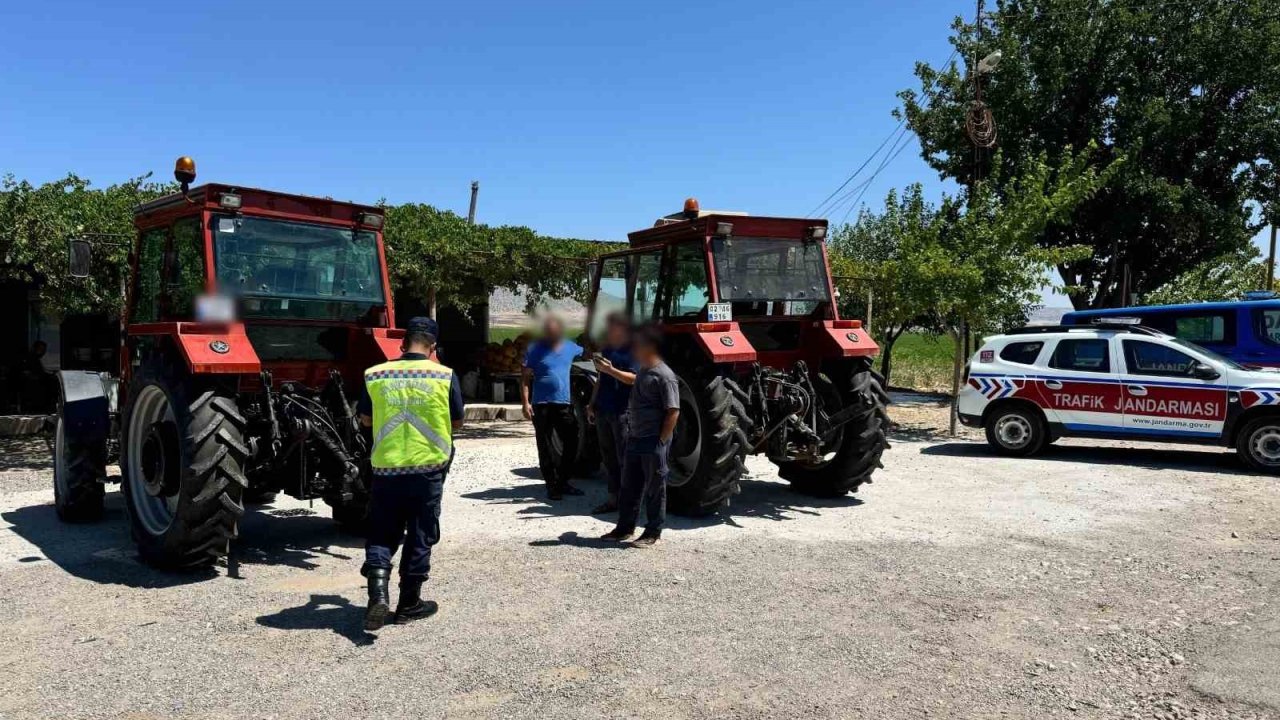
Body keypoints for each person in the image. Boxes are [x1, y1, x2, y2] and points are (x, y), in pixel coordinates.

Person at [357, 316, 464, 631]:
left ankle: (378, 595)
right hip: (427, 470)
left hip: (386, 468)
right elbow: (457, 422)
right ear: (433, 347)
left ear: (403, 344)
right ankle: (409, 604)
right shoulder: (444, 376)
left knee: (381, 532)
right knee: (420, 533)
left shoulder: (375, 374)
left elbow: (365, 419)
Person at [599, 324, 679, 548]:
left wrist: (661, 440)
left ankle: (653, 532)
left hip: (652, 440)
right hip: (635, 437)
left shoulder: (665, 375)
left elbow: (673, 411)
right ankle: (624, 528)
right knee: (630, 487)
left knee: (655, 488)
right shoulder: (643, 370)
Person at [521, 315, 584, 500]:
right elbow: (524, 378)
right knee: (545, 445)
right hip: (541, 405)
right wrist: (525, 403)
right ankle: (551, 485)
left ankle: (563, 481)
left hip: (563, 403)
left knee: (572, 441)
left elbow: (587, 352)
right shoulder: (534, 349)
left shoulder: (570, 347)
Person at [587, 313, 633, 514]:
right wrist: (591, 404)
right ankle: (613, 499)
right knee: (609, 458)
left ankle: (628, 502)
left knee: (625, 459)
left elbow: (634, 379)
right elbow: (600, 378)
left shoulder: (632, 351)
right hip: (603, 410)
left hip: (622, 411)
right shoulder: (607, 349)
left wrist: (611, 370)